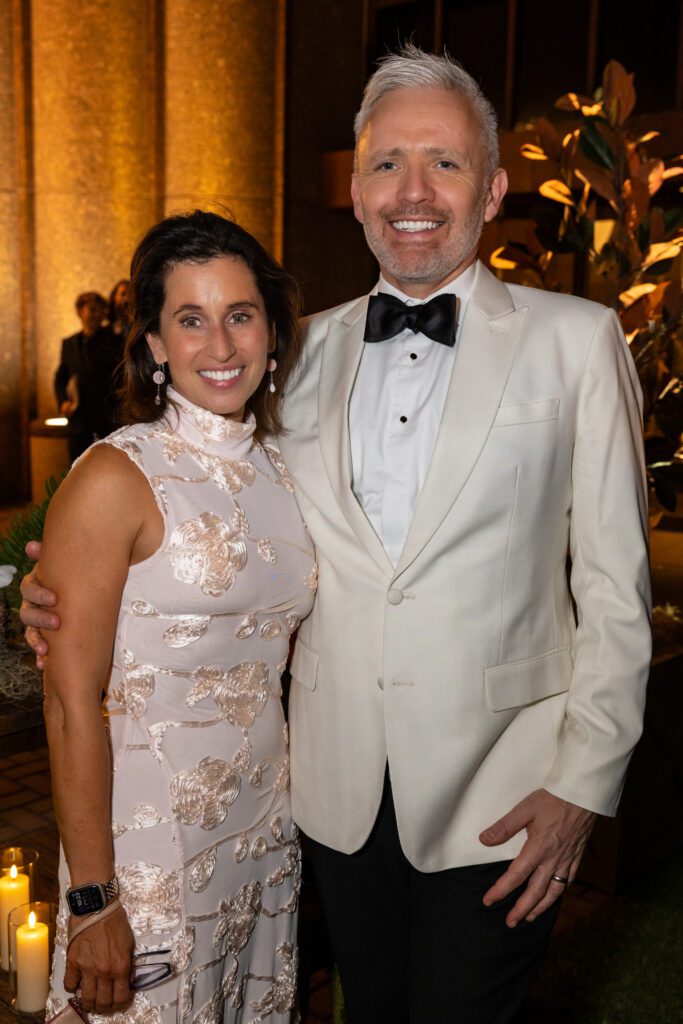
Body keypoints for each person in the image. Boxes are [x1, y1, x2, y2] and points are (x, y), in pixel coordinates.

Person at [23, 46, 651, 1024]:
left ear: (489, 192)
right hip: (324, 798)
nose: (412, 189)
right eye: (386, 163)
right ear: (354, 191)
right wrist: (62, 594)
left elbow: (616, 585)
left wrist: (582, 785)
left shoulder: (575, 340)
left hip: (502, 795)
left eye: (442, 162)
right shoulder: (296, 351)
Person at [36, 211, 316, 1023]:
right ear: (155, 344)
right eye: (190, 320)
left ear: (270, 327)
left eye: (239, 315)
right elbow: (66, 700)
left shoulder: (282, 469)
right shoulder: (115, 476)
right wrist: (93, 897)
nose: (220, 347)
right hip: (146, 850)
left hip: (265, 837)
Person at [54, 291, 124, 460]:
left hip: (106, 421)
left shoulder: (114, 341)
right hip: (77, 423)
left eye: (101, 310)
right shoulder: (69, 343)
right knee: (76, 470)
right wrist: (63, 400)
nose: (97, 315)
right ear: (80, 311)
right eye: (92, 309)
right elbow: (61, 376)